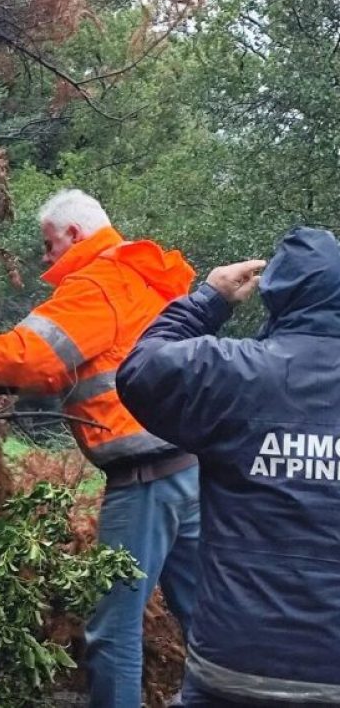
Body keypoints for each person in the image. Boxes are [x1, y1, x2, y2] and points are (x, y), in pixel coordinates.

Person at [0, 189, 200, 708]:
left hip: (145, 477)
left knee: (114, 629)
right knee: (209, 618)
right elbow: (67, 367)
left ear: (75, 235)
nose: (44, 257)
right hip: (191, 469)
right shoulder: (144, 280)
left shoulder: (97, 281)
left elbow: (33, 356)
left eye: (47, 244)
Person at [118, 227, 340, 707]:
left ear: (278, 297)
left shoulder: (234, 374)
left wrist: (209, 301)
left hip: (233, 667)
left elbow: (141, 370)